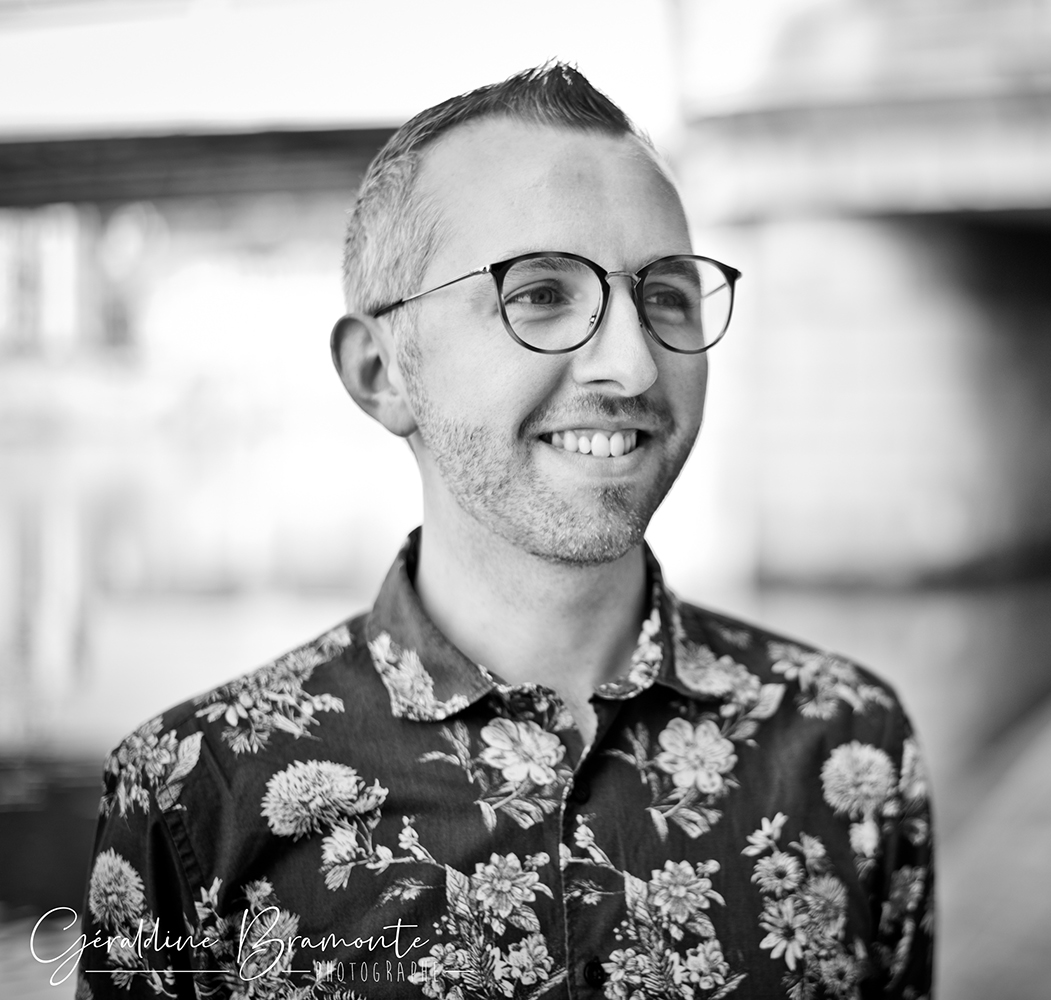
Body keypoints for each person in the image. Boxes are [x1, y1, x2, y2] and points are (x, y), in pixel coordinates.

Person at [76, 64, 933, 1000]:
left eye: (666, 296)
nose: (634, 365)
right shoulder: (196, 794)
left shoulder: (852, 749)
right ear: (381, 372)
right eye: (540, 295)